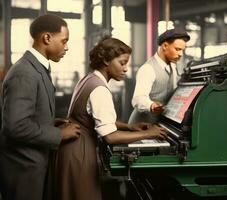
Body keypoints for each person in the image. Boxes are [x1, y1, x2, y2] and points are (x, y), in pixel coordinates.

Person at [47, 37, 167, 200]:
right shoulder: (100, 90)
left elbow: (92, 118)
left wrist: (129, 127)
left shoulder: (89, 79)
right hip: (79, 152)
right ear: (105, 60)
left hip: (70, 149)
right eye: (122, 63)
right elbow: (110, 137)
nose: (126, 69)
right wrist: (150, 134)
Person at [0, 14, 81, 200]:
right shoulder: (24, 72)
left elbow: (26, 116)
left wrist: (51, 122)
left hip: (32, 166)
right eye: (64, 41)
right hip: (23, 170)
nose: (66, 47)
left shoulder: (37, 67)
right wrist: (59, 134)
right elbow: (15, 126)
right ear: (47, 38)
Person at [128, 28, 190, 124]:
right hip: (141, 126)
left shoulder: (173, 66)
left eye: (182, 50)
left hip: (160, 124)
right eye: (177, 49)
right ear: (165, 46)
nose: (181, 54)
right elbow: (138, 98)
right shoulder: (148, 69)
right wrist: (152, 105)